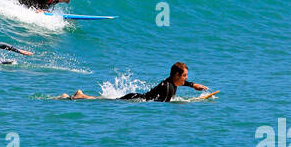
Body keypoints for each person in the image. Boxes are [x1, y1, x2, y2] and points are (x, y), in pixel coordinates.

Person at [58, 62, 216, 101]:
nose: (187, 78)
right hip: (134, 99)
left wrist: (194, 85)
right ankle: (80, 96)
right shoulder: (168, 87)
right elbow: (164, 103)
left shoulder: (173, 82)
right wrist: (191, 101)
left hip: (136, 97)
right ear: (176, 75)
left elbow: (185, 84)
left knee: (107, 100)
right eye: (185, 76)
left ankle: (81, 95)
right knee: (105, 101)